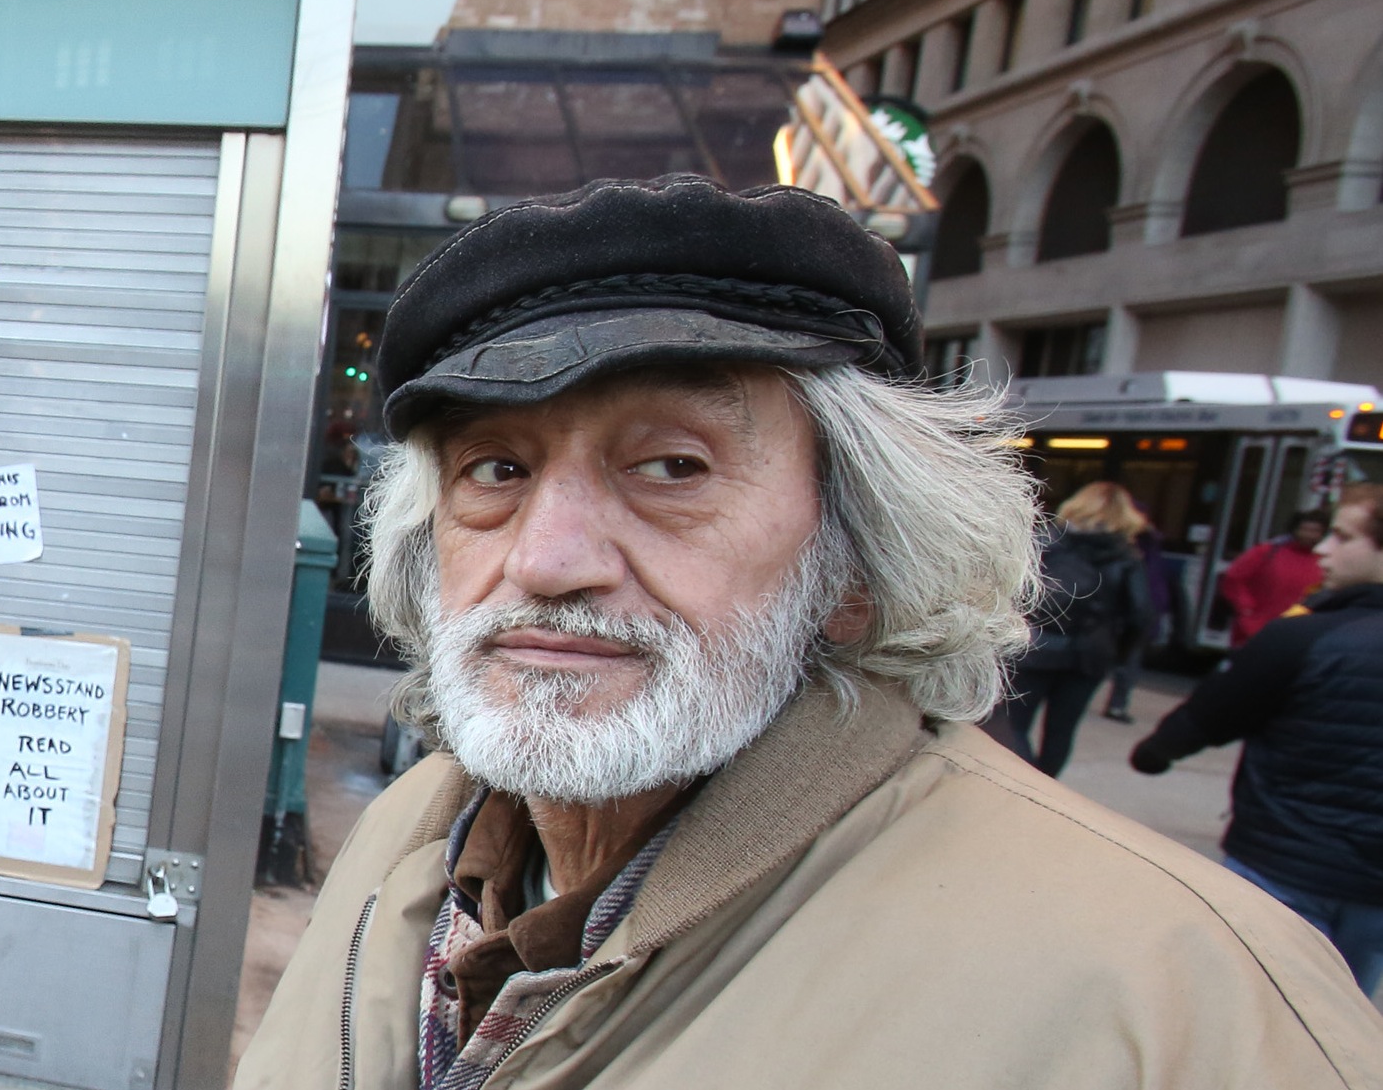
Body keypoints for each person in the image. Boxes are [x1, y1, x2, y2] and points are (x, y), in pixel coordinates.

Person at [234, 177, 1383, 1090]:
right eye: (495, 469)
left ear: (855, 561)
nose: (545, 559)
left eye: (670, 468)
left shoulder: (1182, 999)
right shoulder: (409, 835)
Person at [1132, 483, 1383, 995]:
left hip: (1283, 864)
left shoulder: (1306, 637)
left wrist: (1156, 753)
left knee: (1249, 1002)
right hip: (1371, 893)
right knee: (1335, 1015)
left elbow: (1210, 716)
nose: (1321, 549)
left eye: (1342, 536)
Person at [1002, 481, 1151, 773]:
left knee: (1014, 725)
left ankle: (1021, 782)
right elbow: (1141, 615)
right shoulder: (1126, 558)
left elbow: (1015, 592)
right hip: (1090, 655)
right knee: (1061, 731)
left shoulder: (1047, 544)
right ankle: (1045, 788)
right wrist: (1118, 653)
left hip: (1036, 646)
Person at [1219, 509, 1328, 647]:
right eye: (1304, 529)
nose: (1308, 535)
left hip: (1295, 636)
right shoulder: (1267, 551)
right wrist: (1246, 609)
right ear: (1294, 530)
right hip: (1255, 631)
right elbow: (1234, 579)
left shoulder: (1324, 562)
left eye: (1315, 531)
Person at [1103, 514, 1170, 723]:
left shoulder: (1132, 551)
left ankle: (1118, 703)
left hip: (1109, 620)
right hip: (1125, 618)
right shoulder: (1137, 551)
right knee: (1127, 660)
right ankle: (1117, 704)